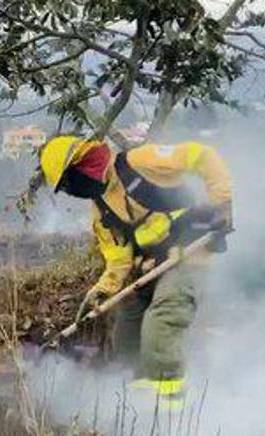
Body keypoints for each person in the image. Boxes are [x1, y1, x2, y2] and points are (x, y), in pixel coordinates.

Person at [40, 135, 234, 409]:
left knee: (162, 321)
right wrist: (100, 293)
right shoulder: (100, 209)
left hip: (191, 250)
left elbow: (203, 156)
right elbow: (118, 261)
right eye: (66, 188)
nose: (72, 190)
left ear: (83, 164)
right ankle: (135, 401)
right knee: (128, 323)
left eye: (70, 182)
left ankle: (169, 406)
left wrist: (221, 205)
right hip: (155, 264)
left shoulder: (140, 162)